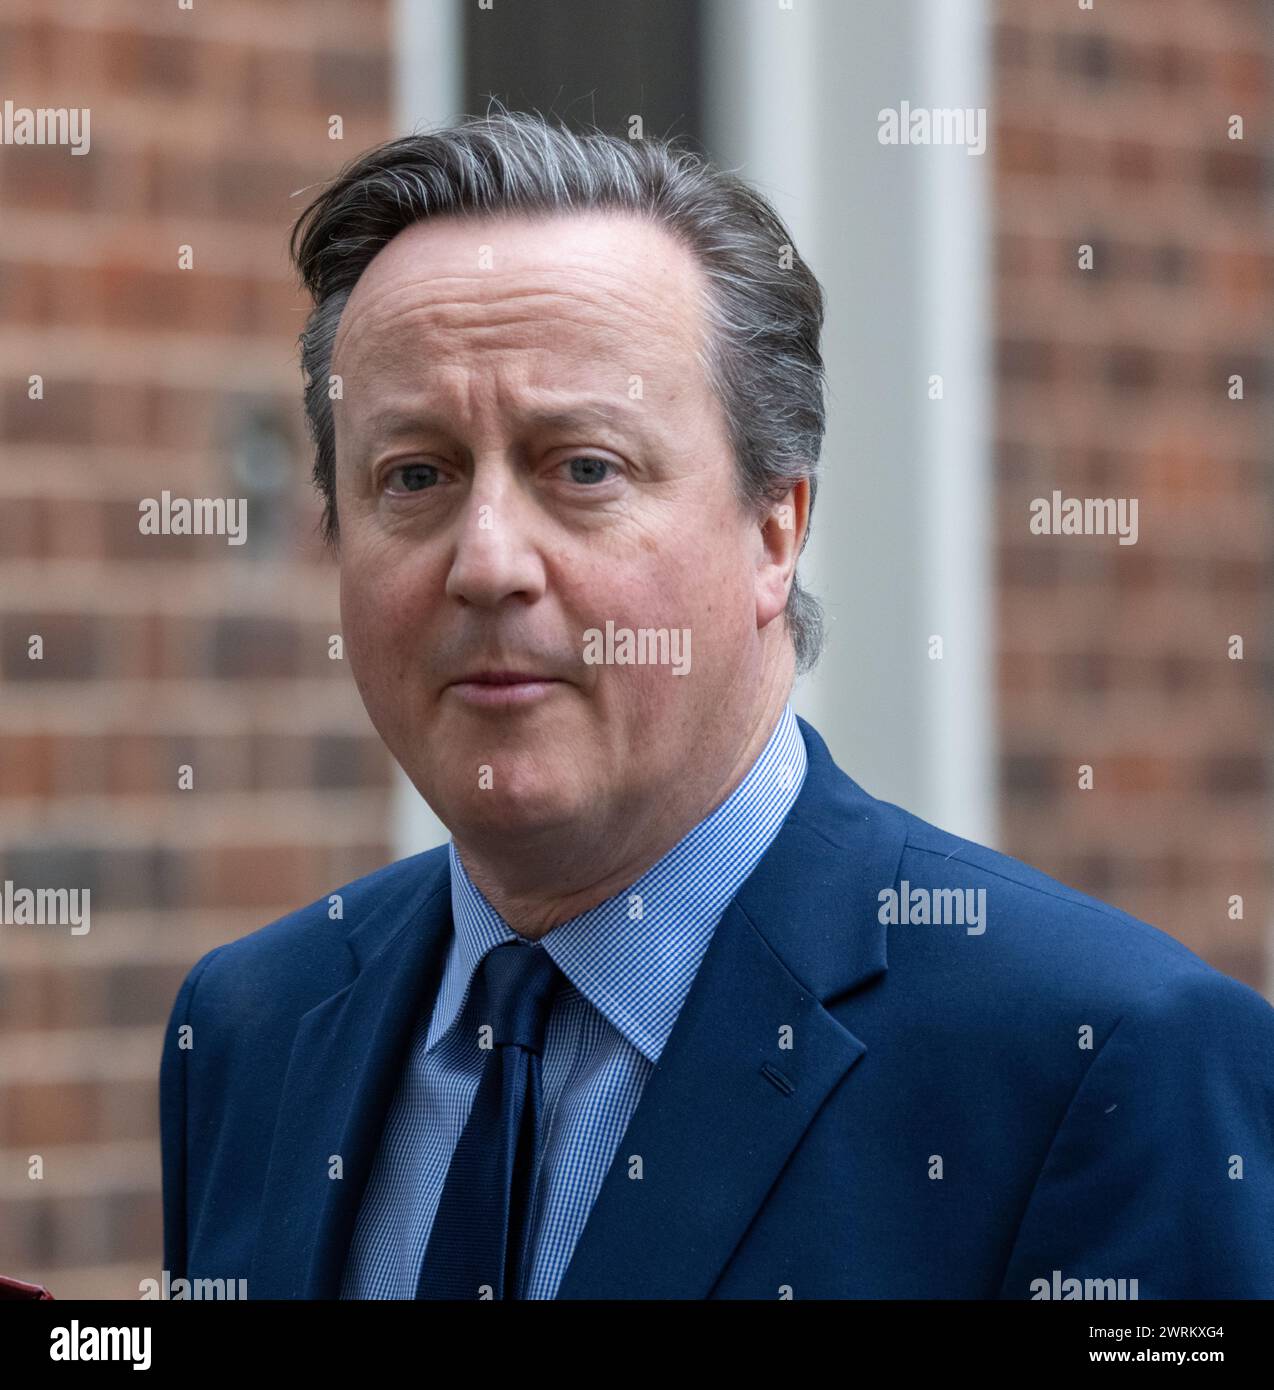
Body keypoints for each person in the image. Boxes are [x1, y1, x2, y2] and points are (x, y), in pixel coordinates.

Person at [160, 109, 1274, 1300]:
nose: (486, 562)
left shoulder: (1099, 1059)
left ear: (774, 528)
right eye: (415, 475)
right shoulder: (249, 1030)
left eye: (582, 467)